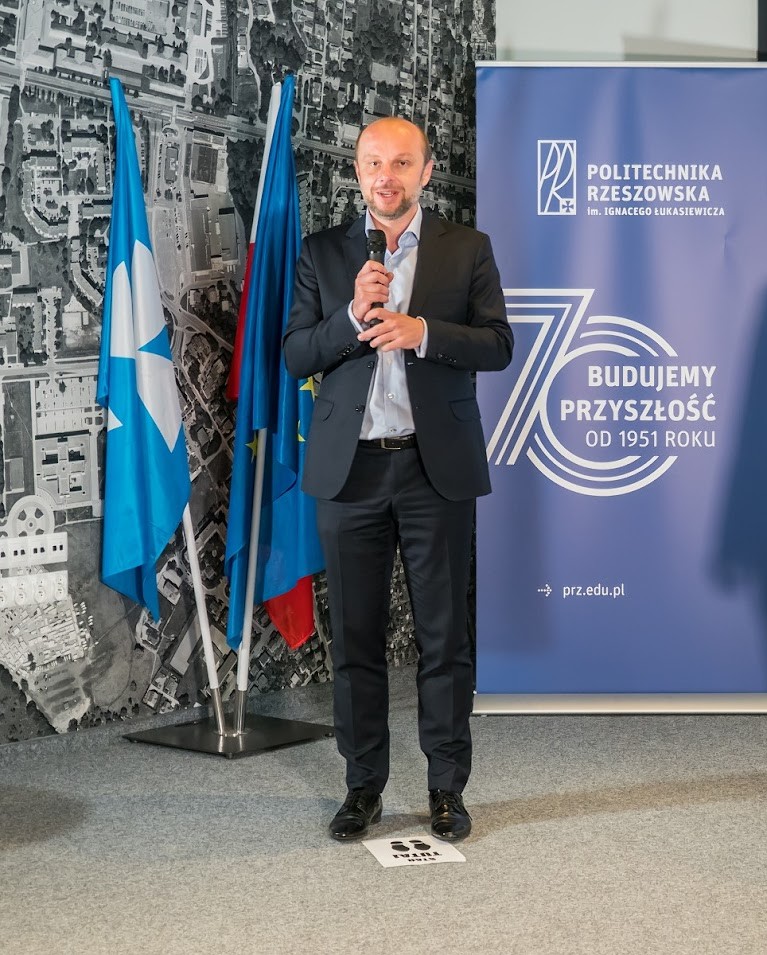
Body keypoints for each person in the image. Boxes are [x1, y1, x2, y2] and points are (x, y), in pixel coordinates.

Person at [283, 116, 513, 843]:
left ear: (426, 170)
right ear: (357, 171)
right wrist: (351, 316)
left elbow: (499, 345)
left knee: (444, 639)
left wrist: (425, 334)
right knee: (355, 641)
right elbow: (295, 355)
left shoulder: (466, 248)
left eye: (402, 163)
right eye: (374, 163)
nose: (386, 176)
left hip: (431, 469)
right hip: (349, 471)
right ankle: (362, 787)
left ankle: (446, 788)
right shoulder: (322, 253)